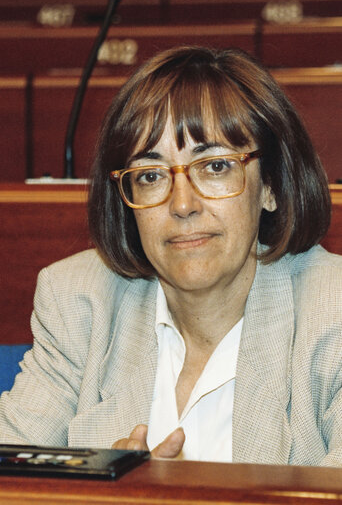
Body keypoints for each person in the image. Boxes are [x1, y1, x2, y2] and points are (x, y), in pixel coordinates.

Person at [0, 46, 341, 466]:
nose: (182, 204)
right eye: (151, 175)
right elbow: (10, 470)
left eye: (215, 166)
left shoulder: (332, 314)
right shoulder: (79, 302)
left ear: (269, 185)